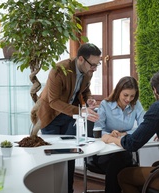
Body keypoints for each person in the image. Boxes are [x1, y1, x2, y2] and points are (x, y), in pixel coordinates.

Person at [31, 43, 101, 193]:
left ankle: (68, 189)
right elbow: (53, 101)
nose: (95, 68)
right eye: (93, 65)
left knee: (70, 153)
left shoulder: (88, 71)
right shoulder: (59, 70)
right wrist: (81, 111)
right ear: (81, 59)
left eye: (97, 64)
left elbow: (85, 89)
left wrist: (88, 99)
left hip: (69, 116)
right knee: (54, 156)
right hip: (50, 115)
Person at [92, 76, 145, 193]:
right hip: (104, 153)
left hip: (124, 151)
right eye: (125, 95)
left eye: (132, 96)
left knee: (121, 161)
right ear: (118, 91)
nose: (128, 99)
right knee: (119, 163)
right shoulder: (105, 105)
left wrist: (125, 133)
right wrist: (110, 135)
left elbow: (144, 126)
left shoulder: (136, 105)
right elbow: (98, 130)